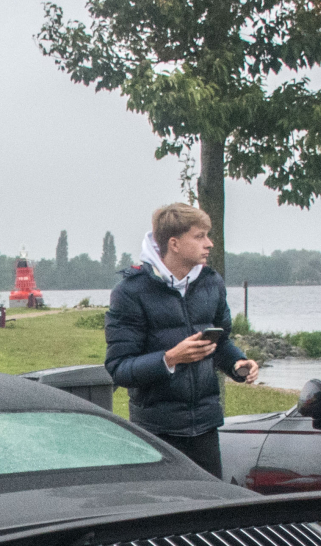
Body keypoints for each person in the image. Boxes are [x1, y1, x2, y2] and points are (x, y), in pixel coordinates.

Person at [103, 202, 260, 477]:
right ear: (174, 244)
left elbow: (220, 343)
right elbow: (119, 368)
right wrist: (170, 358)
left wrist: (237, 363)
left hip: (206, 427)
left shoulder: (212, 283)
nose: (209, 243)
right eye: (199, 236)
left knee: (209, 512)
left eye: (207, 235)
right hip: (156, 432)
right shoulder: (130, 292)